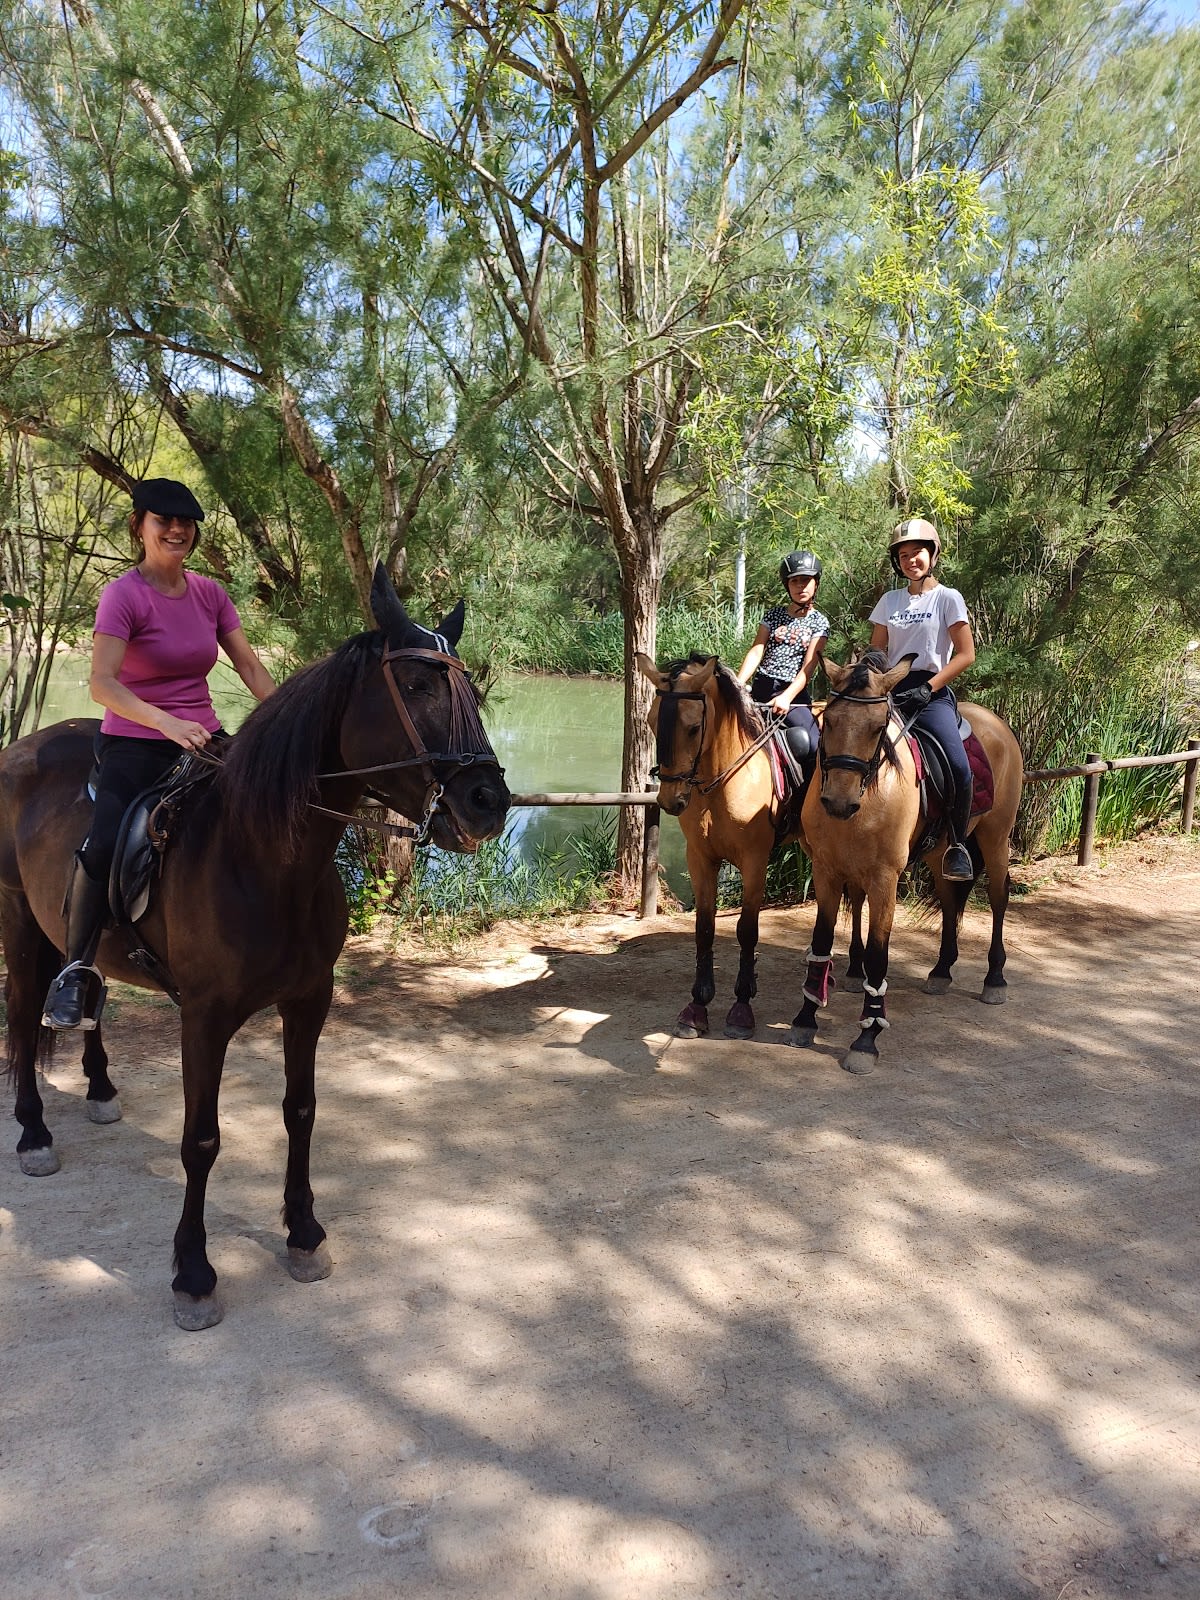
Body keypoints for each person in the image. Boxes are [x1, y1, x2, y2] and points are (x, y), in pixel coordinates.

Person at [41, 478, 275, 1031]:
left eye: (187, 523)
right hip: (136, 742)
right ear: (139, 525)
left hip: (205, 740)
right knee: (102, 845)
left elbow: (247, 665)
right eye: (163, 520)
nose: (177, 530)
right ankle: (75, 970)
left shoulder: (210, 593)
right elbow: (102, 684)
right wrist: (167, 722)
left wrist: (290, 719)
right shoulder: (124, 595)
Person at [868, 517, 976, 881]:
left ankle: (957, 845)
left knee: (959, 766)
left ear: (932, 555)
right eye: (903, 555)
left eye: (916, 553)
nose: (910, 560)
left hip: (931, 692)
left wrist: (928, 688)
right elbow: (878, 650)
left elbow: (965, 655)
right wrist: (871, 680)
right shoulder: (889, 600)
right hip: (891, 690)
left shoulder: (948, 598)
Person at [737, 550, 829, 781]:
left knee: (814, 745)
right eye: (795, 581)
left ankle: (804, 806)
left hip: (793, 694)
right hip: (760, 688)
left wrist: (787, 697)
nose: (801, 586)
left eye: (806, 580)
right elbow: (758, 648)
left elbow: (809, 666)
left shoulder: (819, 622)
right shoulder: (774, 614)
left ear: (815, 583)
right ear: (787, 585)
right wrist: (739, 683)